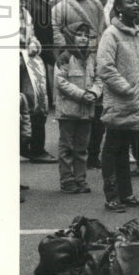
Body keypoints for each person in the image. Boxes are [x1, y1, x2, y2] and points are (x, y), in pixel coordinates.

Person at [95, 0, 139, 212]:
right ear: (118, 8)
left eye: (138, 2)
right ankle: (111, 197)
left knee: (124, 149)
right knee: (112, 148)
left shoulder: (137, 34)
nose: (136, 5)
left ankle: (126, 194)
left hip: (135, 101)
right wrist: (127, 89)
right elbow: (105, 67)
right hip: (120, 100)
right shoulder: (111, 34)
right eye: (130, 2)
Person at [54, 21, 102, 194]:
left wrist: (95, 93)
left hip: (86, 111)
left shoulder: (91, 58)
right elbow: (61, 82)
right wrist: (81, 94)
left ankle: (80, 179)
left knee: (82, 146)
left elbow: (99, 79)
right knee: (67, 146)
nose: (83, 39)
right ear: (71, 37)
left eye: (86, 36)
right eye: (79, 35)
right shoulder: (65, 57)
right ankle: (67, 179)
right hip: (68, 110)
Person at [19, 0, 55, 163]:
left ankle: (36, 148)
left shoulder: (26, 13)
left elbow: (31, 35)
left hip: (27, 63)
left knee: (37, 102)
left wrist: (34, 44)